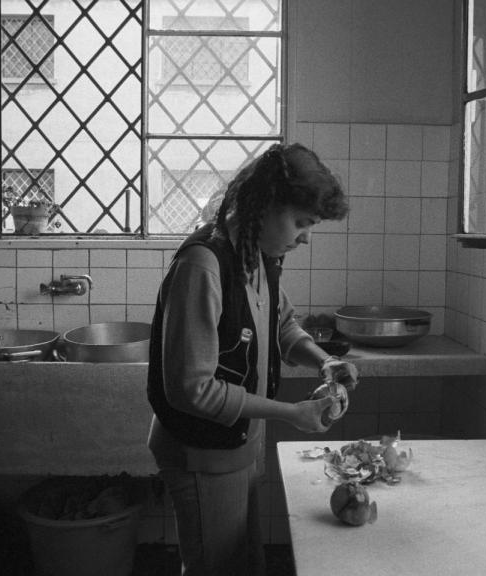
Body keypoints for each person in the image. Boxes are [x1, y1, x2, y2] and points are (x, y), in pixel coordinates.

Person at [146, 142, 359, 575]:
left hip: (240, 446)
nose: (307, 237)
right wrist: (292, 413)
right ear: (264, 207)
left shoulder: (258, 256)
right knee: (216, 566)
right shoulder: (202, 266)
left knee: (244, 563)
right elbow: (193, 390)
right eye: (301, 223)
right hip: (202, 453)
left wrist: (323, 361)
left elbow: (281, 325)